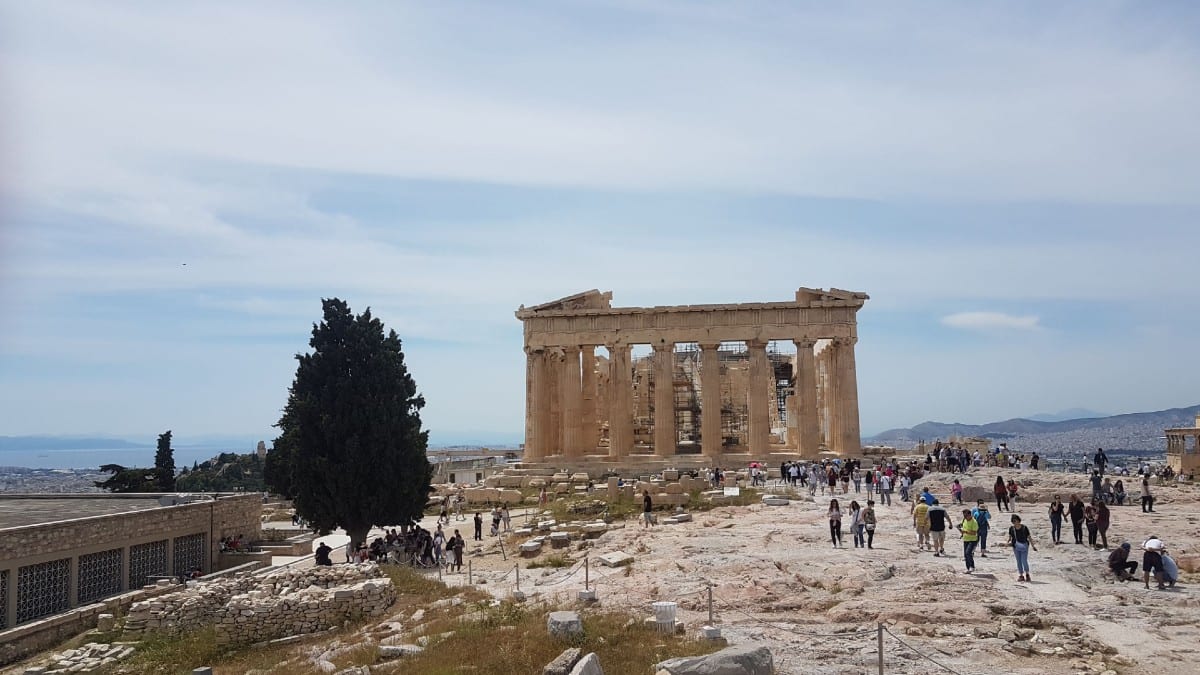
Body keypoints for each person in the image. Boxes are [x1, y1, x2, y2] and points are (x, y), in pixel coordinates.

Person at [1007, 514, 1037, 582]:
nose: (1015, 523)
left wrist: (1033, 546)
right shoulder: (1011, 528)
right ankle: (1021, 575)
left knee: (1024, 560)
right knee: (1018, 561)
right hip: (1015, 546)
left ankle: (1027, 574)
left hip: (1024, 545)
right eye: (1013, 521)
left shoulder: (1024, 527)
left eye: (1016, 521)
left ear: (1018, 520)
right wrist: (1007, 543)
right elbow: (1010, 537)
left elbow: (1029, 537)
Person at [958, 509, 979, 573]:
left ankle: (972, 566)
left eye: (966, 516)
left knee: (968, 553)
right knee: (965, 554)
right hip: (966, 539)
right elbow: (964, 529)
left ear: (970, 515)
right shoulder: (964, 520)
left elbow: (974, 533)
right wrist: (960, 530)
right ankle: (968, 568)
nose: (965, 517)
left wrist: (965, 532)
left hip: (972, 540)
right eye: (964, 516)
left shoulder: (974, 522)